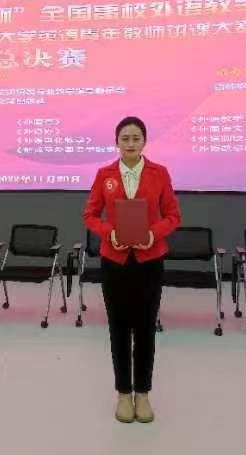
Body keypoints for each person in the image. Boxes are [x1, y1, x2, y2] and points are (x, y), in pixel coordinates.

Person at [83, 116, 181, 423]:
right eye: (125, 138)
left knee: (146, 329)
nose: (130, 143)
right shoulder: (105, 175)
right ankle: (124, 393)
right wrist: (109, 232)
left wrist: (153, 234)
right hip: (115, 263)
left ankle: (143, 394)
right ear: (117, 142)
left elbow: (173, 216)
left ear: (144, 141)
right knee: (119, 329)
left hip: (149, 262)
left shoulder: (159, 173)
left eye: (136, 138)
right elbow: (90, 215)